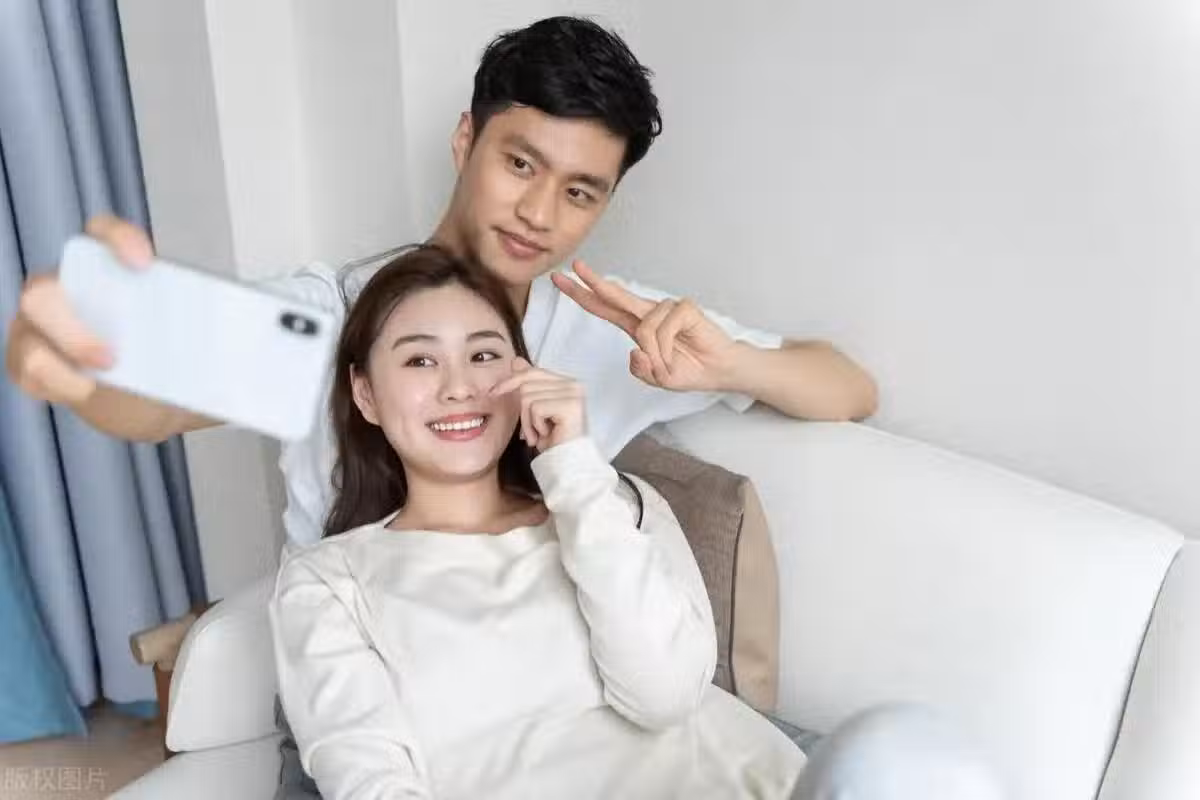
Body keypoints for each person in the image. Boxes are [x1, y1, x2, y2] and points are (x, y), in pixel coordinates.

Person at [4, 16, 877, 551]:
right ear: (466, 141)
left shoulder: (615, 328)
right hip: (364, 702)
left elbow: (847, 387)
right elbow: (156, 405)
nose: (539, 212)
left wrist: (729, 365)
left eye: (580, 192)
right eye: (520, 163)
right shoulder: (336, 311)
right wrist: (84, 367)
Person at [271, 244, 1005, 800]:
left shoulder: (611, 503)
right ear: (365, 395)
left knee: (906, 750)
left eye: (485, 355)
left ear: (525, 375)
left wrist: (572, 468)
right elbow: (369, 782)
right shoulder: (328, 582)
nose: (459, 386)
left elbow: (664, 694)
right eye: (420, 362)